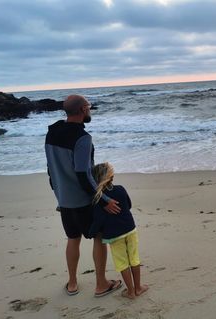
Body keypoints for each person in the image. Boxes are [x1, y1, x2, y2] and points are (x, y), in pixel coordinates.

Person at [45, 95, 123, 297]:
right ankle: (101, 284)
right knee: (99, 237)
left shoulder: (51, 133)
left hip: (63, 199)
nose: (90, 110)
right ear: (81, 110)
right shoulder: (82, 138)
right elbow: (83, 174)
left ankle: (72, 284)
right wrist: (103, 200)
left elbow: (51, 169)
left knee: (73, 238)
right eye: (88, 107)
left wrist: (58, 193)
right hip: (83, 200)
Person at [89, 162, 149, 299]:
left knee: (122, 262)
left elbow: (98, 220)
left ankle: (130, 292)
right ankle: (138, 288)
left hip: (114, 236)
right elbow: (129, 205)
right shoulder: (121, 189)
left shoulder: (98, 199)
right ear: (111, 176)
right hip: (130, 229)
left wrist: (91, 233)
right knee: (134, 258)